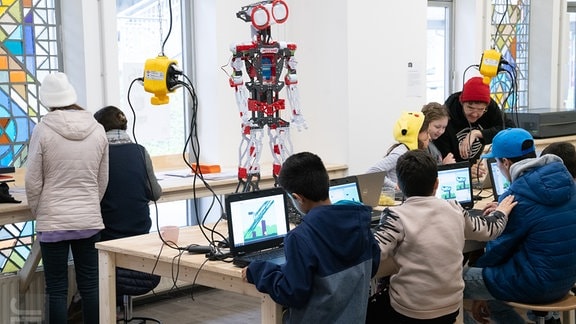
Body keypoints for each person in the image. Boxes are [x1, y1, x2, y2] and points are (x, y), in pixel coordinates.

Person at [372, 149, 513, 323]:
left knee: (368, 309)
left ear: (399, 187)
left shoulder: (396, 216)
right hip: (450, 307)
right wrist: (501, 212)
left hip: (410, 309)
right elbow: (491, 231)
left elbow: (373, 253)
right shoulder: (455, 208)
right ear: (437, 184)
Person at [241, 151, 381, 323]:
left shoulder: (300, 238)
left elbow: (292, 292)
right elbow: (373, 266)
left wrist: (258, 271)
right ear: (327, 183)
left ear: (297, 198)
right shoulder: (360, 223)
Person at [463, 128, 576, 324]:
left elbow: (498, 247)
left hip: (537, 284)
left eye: (497, 162)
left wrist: (481, 287)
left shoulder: (518, 195)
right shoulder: (566, 183)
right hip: (566, 278)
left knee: (451, 280)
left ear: (505, 162)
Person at [25, 72, 108, 324]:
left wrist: (41, 212)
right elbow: (102, 179)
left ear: (47, 100)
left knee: (57, 289)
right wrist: (90, 205)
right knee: (91, 285)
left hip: (54, 221)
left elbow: (32, 181)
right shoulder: (98, 129)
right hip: (88, 220)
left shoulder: (43, 129)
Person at [93, 105, 162, 241]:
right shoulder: (141, 151)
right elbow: (156, 193)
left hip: (108, 230)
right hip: (140, 228)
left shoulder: (98, 154)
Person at [434, 76, 515, 178]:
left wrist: (477, 133)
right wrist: (465, 169)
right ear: (461, 102)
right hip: (454, 173)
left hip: (473, 169)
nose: (475, 114)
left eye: (481, 109)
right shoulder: (447, 115)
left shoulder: (490, 107)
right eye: (470, 108)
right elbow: (446, 160)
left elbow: (509, 129)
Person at [367, 111, 430, 189]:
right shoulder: (401, 153)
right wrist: (396, 187)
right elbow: (372, 173)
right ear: (416, 134)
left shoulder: (410, 152)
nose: (429, 137)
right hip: (398, 199)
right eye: (427, 133)